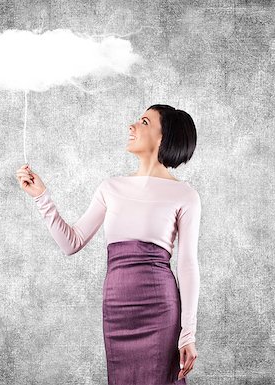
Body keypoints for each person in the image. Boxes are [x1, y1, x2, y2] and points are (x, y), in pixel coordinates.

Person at [16, 104, 201, 385]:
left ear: (163, 136)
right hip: (117, 307)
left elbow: (187, 265)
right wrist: (42, 197)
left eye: (144, 122)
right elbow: (71, 243)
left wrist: (188, 332)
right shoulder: (110, 187)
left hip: (161, 308)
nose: (132, 126)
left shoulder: (185, 194)